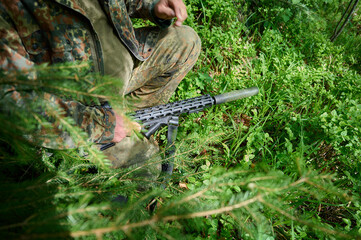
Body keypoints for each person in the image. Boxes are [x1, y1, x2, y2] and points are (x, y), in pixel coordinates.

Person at [0, 0, 201, 182]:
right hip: (81, 108)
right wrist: (101, 125)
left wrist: (153, 6)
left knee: (186, 42)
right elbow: (13, 103)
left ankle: (134, 119)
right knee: (146, 166)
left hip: (126, 69)